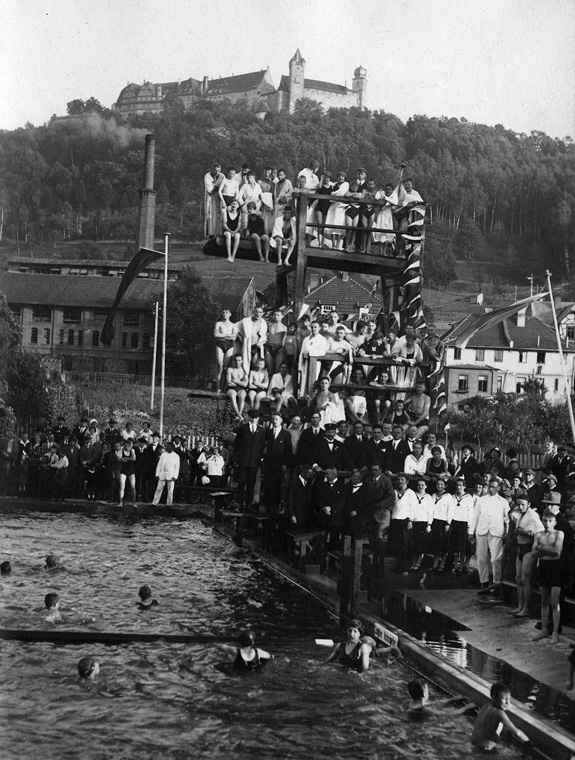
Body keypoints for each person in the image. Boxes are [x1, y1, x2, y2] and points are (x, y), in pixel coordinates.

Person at [468, 477, 509, 594]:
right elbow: (474, 516)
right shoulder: (481, 500)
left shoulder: (503, 502)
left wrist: (507, 532)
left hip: (496, 533)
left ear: (499, 488)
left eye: (493, 486)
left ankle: (496, 584)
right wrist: (471, 532)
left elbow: (508, 519)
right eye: (489, 486)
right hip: (481, 532)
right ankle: (484, 583)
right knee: (481, 559)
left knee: (495, 559)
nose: (490, 489)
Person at [532, 510, 564, 644]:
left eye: (550, 521)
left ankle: (555, 632)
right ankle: (544, 629)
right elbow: (534, 553)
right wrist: (546, 549)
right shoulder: (538, 534)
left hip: (555, 568)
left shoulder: (559, 533)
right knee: (544, 601)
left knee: (554, 602)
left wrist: (541, 548)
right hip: (543, 567)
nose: (547, 524)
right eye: (545, 521)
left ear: (555, 522)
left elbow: (557, 551)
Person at [508, 495, 543, 617]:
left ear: (528, 504)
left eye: (523, 504)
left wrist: (523, 532)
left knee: (525, 579)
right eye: (518, 504)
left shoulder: (533, 515)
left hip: (529, 548)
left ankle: (526, 608)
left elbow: (538, 533)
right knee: (518, 578)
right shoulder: (520, 514)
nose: (520, 506)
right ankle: (520, 605)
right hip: (520, 547)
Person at [471, 682, 529, 752]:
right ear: (494, 697)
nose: (508, 702)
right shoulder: (499, 713)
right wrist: (529, 742)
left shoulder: (485, 706)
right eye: (504, 699)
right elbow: (517, 732)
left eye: (509, 699)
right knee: (512, 750)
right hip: (487, 747)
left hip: (473, 743)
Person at [233, 409, 266, 512]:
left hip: (254, 461)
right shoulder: (242, 429)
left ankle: (248, 504)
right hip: (243, 461)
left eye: (255, 418)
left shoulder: (261, 431)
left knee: (251, 484)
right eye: (251, 417)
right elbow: (237, 445)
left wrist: (259, 458)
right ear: (248, 417)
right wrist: (238, 459)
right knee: (241, 483)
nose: (253, 419)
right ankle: (239, 504)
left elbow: (261, 446)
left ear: (258, 419)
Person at [214, 309, 238, 389]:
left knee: (225, 367)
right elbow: (216, 334)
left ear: (230, 314)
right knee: (220, 367)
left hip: (229, 345)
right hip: (220, 344)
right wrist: (228, 335)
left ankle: (224, 387)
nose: (225, 314)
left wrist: (222, 335)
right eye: (223, 312)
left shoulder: (233, 325)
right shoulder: (219, 323)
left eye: (226, 312)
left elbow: (234, 337)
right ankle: (218, 389)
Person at [152, 441, 181, 506]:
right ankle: (154, 503)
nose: (166, 448)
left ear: (172, 447)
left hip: (171, 475)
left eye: (168, 447)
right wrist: (157, 474)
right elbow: (159, 465)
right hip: (162, 474)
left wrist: (175, 476)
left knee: (170, 491)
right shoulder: (163, 455)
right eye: (166, 447)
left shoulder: (176, 456)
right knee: (158, 489)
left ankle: (169, 504)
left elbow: (177, 467)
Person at [204, 162, 225, 237]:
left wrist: (216, 187)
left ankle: (218, 233)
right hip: (210, 197)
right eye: (215, 170)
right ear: (212, 170)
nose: (217, 172)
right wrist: (216, 187)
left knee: (219, 214)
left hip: (218, 197)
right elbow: (209, 189)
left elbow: (222, 187)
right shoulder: (207, 176)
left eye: (218, 170)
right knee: (210, 213)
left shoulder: (222, 176)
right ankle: (210, 234)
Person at [226, 354, 248, 421]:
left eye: (239, 360)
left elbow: (245, 384)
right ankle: (239, 416)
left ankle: (238, 416)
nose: (237, 362)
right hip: (231, 388)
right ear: (233, 361)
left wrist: (235, 381)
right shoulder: (230, 369)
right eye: (235, 360)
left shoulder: (244, 370)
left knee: (242, 396)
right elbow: (229, 383)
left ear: (242, 361)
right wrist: (240, 383)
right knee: (233, 395)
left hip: (241, 388)